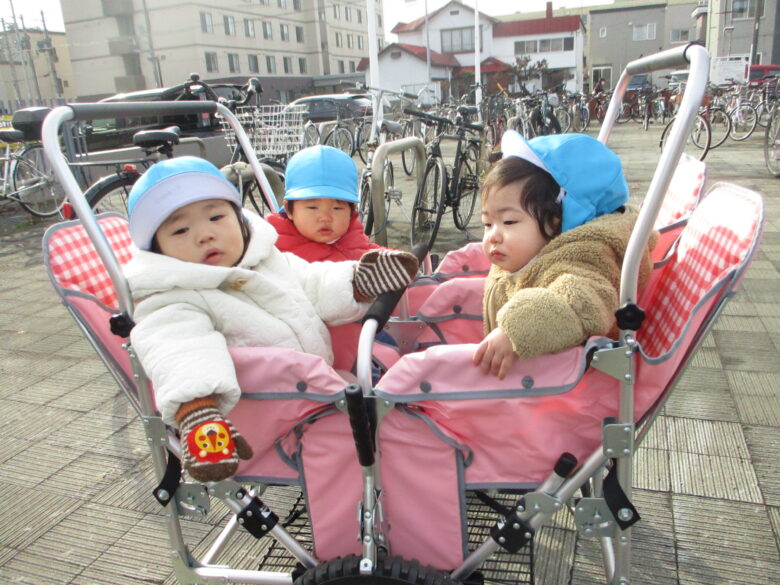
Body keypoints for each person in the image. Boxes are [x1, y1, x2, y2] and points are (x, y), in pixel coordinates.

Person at [123, 156, 418, 482]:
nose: (205, 234)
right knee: (382, 428)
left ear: (239, 218)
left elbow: (312, 281)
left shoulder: (264, 260)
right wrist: (199, 412)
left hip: (316, 393)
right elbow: (180, 353)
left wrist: (357, 282)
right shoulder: (173, 300)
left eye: (217, 216)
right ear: (158, 250)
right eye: (180, 229)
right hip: (266, 424)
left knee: (396, 391)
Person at [473, 130, 657, 379]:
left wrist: (514, 330)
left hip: (563, 390)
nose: (493, 235)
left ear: (557, 221)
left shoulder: (581, 258)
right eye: (487, 224)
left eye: (508, 221)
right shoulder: (533, 250)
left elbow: (578, 301)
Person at [266, 145, 384, 262]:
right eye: (313, 207)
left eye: (337, 208)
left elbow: (366, 252)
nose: (325, 218)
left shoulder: (352, 236)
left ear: (351, 210)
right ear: (289, 209)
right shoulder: (275, 252)